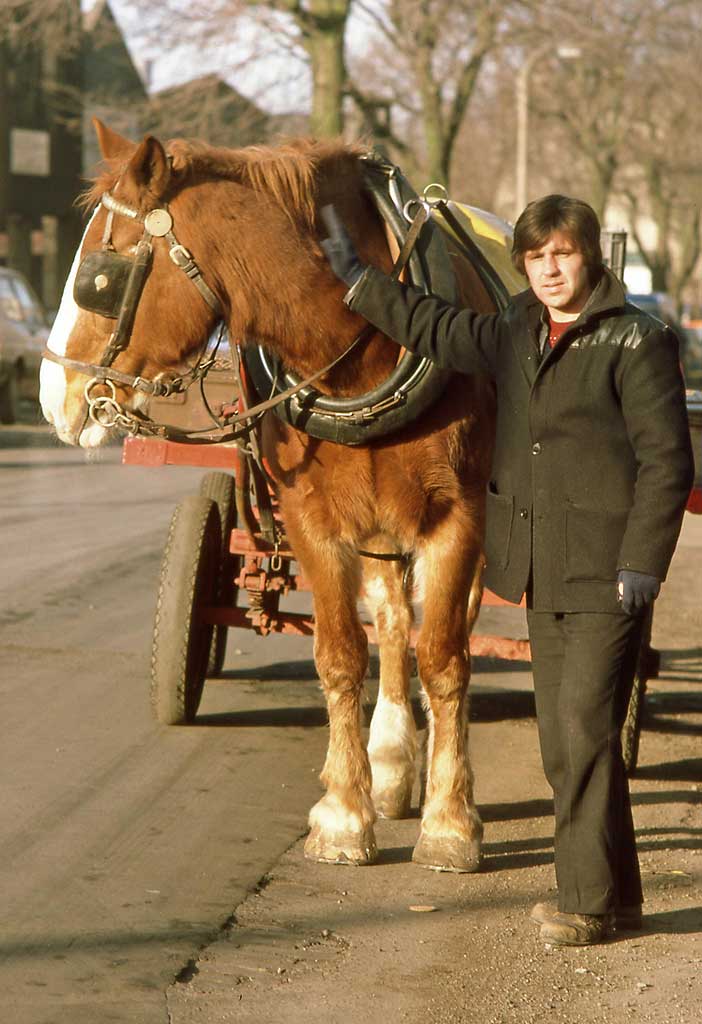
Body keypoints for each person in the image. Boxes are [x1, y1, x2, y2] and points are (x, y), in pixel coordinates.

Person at [320, 194, 694, 946]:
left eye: (561, 254)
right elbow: (432, 324)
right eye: (535, 258)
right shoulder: (516, 330)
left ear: (588, 256)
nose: (549, 270)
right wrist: (358, 279)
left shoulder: (636, 339)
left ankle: (585, 906)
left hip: (609, 571)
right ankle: (621, 897)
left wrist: (644, 564)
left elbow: (667, 463)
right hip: (538, 567)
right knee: (565, 742)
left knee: (583, 733)